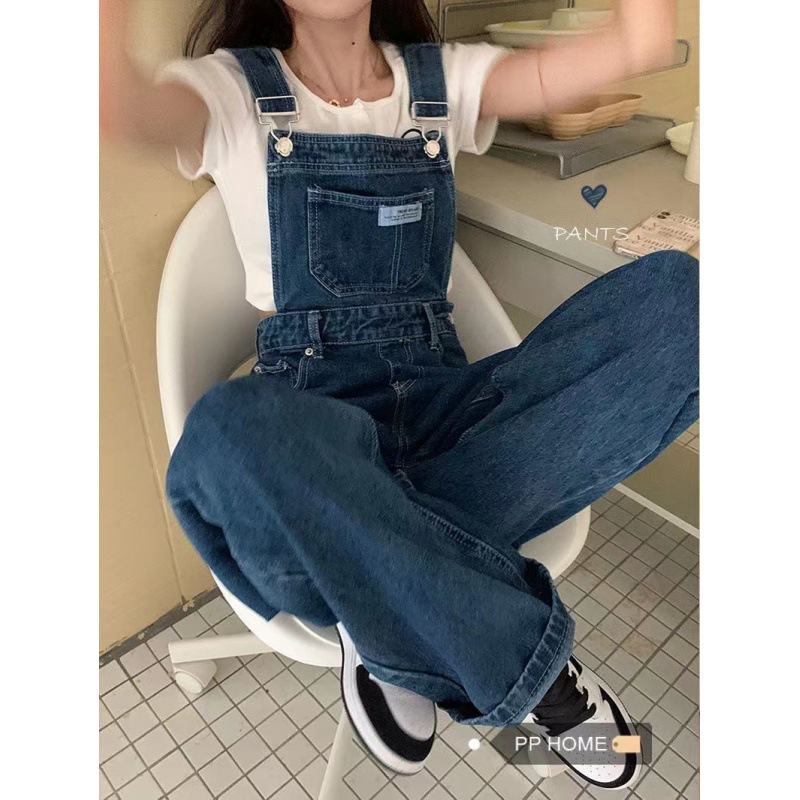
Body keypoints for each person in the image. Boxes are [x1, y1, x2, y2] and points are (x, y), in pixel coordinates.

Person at [101, 0, 696, 789]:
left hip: (448, 412)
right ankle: (514, 662)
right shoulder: (229, 92)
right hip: (310, 429)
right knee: (226, 433)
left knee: (687, 303)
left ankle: (381, 597)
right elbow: (116, 105)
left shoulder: (444, 81)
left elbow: (640, 43)